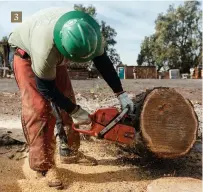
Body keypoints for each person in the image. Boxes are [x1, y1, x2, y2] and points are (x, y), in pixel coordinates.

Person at [8, 7, 134, 189]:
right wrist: (74, 111)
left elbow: (102, 61)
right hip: (25, 54)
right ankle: (43, 166)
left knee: (67, 98)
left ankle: (70, 151)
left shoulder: (89, 32)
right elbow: (46, 88)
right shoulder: (44, 50)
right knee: (39, 108)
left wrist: (120, 93)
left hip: (54, 48)